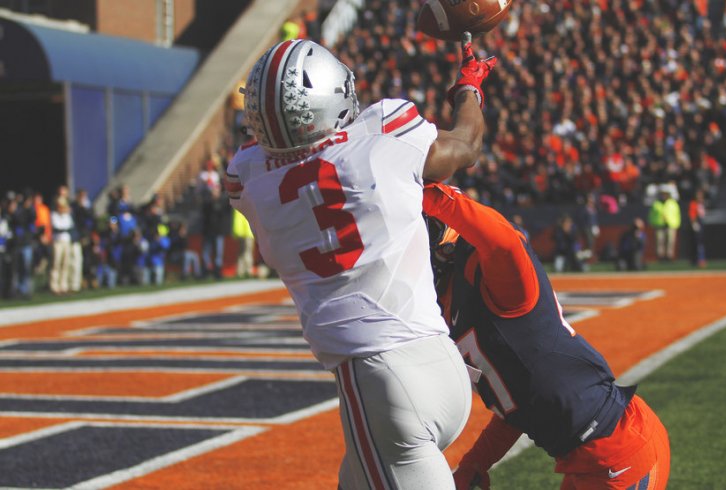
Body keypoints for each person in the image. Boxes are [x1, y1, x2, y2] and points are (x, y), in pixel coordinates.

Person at [227, 35, 496, 489]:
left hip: (379, 386)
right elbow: (466, 145)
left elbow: (271, 160)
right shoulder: (384, 131)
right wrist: (469, 85)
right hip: (436, 361)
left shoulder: (248, 181)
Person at [422, 182, 670, 490]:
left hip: (619, 451)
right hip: (594, 453)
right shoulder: (449, 305)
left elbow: (506, 243)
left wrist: (429, 193)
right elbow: (517, 408)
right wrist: (475, 462)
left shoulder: (497, 281)